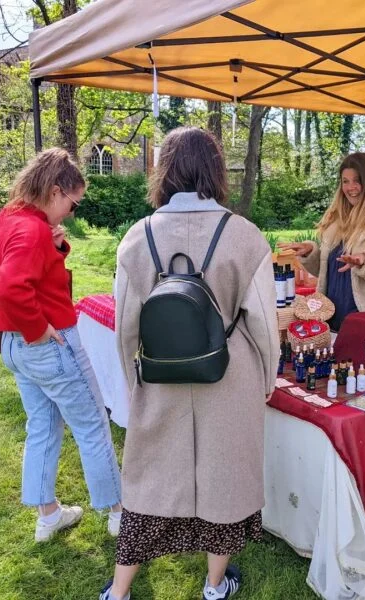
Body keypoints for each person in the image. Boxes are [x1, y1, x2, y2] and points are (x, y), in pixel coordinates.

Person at [101, 127, 279, 600]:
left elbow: (125, 326)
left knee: (148, 483)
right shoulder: (244, 235)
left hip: (159, 376)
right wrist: (268, 376)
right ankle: (214, 585)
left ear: (165, 171)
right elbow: (262, 322)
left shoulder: (137, 238)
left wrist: (132, 379)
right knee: (224, 483)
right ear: (215, 170)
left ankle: (118, 592)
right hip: (229, 376)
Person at [0, 148, 122, 542]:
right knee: (92, 423)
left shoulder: (6, 220)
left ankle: (47, 515)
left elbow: (20, 271)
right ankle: (118, 513)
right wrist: (38, 329)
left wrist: (56, 248)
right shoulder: (31, 229)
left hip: (14, 348)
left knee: (42, 425)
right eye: (73, 203)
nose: (72, 213)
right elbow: (9, 288)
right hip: (47, 343)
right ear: (56, 190)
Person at [278, 152, 365, 331]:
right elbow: (331, 271)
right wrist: (310, 252)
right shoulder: (336, 219)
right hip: (331, 318)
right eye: (345, 181)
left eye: (357, 180)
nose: (351, 188)